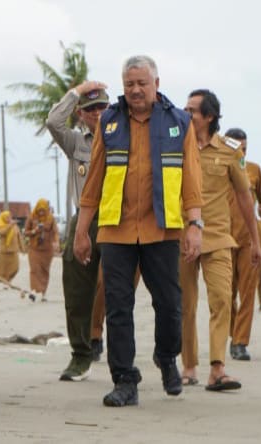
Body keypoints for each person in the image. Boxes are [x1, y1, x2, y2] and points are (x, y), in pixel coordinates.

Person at [74, 55, 204, 407]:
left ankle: (166, 357)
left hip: (163, 230)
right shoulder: (110, 122)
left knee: (170, 305)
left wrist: (194, 225)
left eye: (141, 83)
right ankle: (125, 380)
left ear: (156, 84)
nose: (134, 90)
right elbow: (95, 179)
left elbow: (191, 179)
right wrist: (82, 230)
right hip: (116, 231)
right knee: (118, 307)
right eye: (129, 84)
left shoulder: (179, 122)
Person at [178, 90, 261, 391]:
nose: (186, 114)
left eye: (192, 110)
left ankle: (217, 368)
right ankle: (188, 366)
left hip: (218, 237)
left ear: (209, 117)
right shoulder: (175, 144)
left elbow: (243, 197)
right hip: (182, 237)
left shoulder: (230, 151)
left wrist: (255, 241)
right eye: (185, 109)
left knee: (223, 300)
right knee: (185, 304)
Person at [45, 80, 112, 379]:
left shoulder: (125, 138)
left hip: (119, 221)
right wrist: (77, 92)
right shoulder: (75, 142)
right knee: (77, 292)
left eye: (102, 107)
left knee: (117, 292)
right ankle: (81, 356)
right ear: (81, 115)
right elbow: (52, 121)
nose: (97, 113)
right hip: (83, 222)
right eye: (90, 109)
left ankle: (123, 357)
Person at [222, 127, 261, 361]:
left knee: (247, 293)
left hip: (249, 239)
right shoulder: (216, 167)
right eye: (236, 148)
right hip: (222, 238)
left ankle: (240, 342)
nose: (241, 153)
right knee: (225, 295)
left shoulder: (253, 170)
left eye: (244, 148)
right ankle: (233, 333)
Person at [24, 198, 58, 302]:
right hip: (34, 249)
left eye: (44, 210)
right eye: (40, 210)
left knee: (44, 271)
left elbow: (55, 232)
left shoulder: (51, 218)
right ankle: (34, 291)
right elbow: (26, 232)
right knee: (34, 269)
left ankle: (43, 293)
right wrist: (34, 231)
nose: (41, 212)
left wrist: (56, 242)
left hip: (47, 250)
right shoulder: (32, 217)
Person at [0, 211, 23, 285]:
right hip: (5, 251)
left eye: (9, 217)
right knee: (2, 269)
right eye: (7, 217)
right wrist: (10, 225)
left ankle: (7, 280)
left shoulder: (15, 226)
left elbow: (19, 237)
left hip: (14, 250)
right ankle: (4, 282)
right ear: (3, 218)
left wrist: (22, 248)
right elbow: (2, 232)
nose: (9, 218)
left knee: (16, 268)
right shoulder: (1, 225)